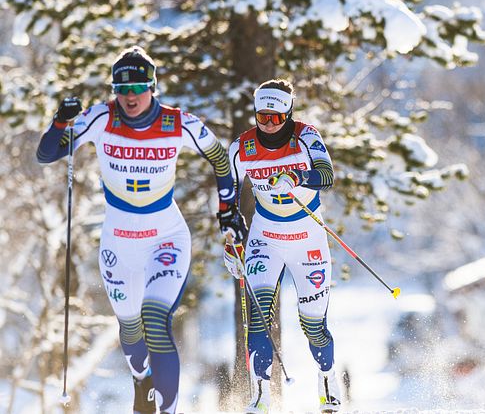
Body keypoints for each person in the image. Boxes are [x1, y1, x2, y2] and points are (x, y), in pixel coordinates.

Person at [36, 46, 247, 414]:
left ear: (153, 86)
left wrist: (228, 210)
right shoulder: (100, 118)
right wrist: (60, 122)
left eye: (137, 87)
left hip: (165, 238)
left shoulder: (176, 122)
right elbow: (47, 154)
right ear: (114, 89)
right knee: (131, 334)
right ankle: (141, 378)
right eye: (122, 87)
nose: (130, 96)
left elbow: (218, 156)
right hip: (119, 246)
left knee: (155, 320)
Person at [223, 79, 342, 413]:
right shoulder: (242, 148)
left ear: (289, 113)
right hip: (266, 238)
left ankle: (327, 376)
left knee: (313, 326)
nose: (269, 124)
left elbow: (327, 175)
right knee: (259, 315)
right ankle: (260, 394)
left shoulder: (306, 136)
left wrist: (298, 176)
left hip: (308, 240)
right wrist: (230, 239)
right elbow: (227, 197)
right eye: (263, 116)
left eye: (277, 117)